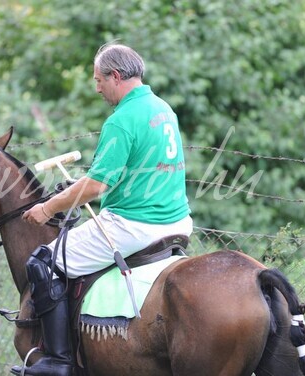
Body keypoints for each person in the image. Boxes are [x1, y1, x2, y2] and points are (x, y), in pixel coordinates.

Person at [17, 42, 192, 376]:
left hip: (134, 226)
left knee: (43, 261)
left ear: (115, 76)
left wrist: (47, 207)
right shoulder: (162, 108)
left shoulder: (121, 119)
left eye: (98, 80)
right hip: (178, 222)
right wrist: (78, 188)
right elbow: (135, 169)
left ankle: (58, 360)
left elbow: (97, 186)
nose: (97, 87)